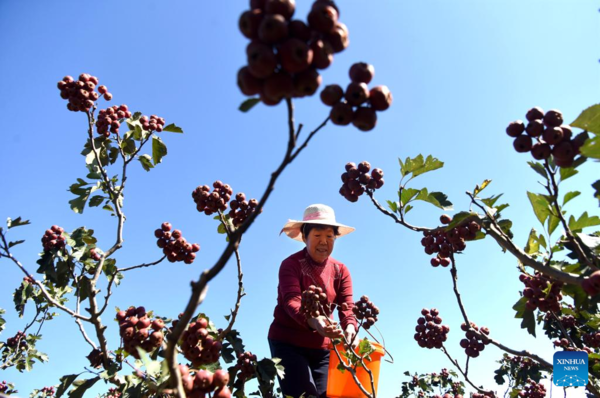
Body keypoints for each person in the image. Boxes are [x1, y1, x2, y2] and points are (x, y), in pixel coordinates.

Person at [268, 204, 358, 398]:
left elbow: (347, 307)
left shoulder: (341, 271)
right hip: (287, 341)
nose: (324, 242)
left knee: (328, 394)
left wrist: (350, 327)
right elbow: (292, 301)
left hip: (322, 347)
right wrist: (314, 321)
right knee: (304, 395)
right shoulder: (290, 265)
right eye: (317, 236)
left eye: (329, 236)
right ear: (305, 237)